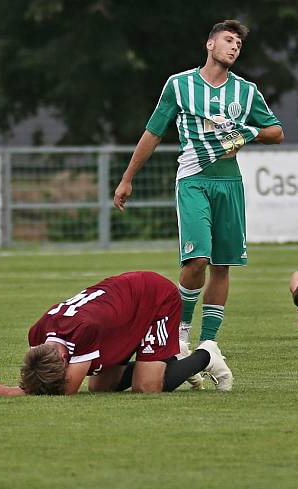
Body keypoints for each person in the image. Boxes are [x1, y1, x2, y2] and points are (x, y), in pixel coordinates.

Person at [112, 20, 284, 366]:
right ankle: (181, 332)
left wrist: (241, 135)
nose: (234, 47)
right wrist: (127, 177)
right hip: (193, 179)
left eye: (238, 43)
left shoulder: (246, 91)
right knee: (196, 260)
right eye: (228, 40)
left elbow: (276, 131)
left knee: (222, 265)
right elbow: (153, 132)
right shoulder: (179, 85)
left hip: (229, 184)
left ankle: (208, 344)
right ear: (210, 44)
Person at [0, 271, 233, 397]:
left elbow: (69, 389)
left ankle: (205, 355)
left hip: (153, 297)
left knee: (146, 387)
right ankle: (171, 357)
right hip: (119, 313)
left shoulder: (83, 331)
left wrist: (13, 391)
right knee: (101, 387)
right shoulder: (37, 333)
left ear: (65, 355)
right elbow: (49, 377)